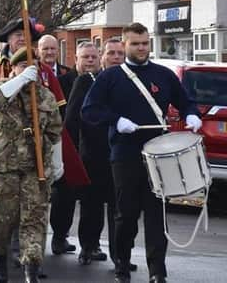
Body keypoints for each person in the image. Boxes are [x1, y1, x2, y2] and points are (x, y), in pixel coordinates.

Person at [82, 23, 201, 283]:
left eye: (145, 43)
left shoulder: (163, 74)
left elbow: (185, 100)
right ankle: (122, 264)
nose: (141, 48)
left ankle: (158, 271)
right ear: (125, 45)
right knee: (126, 214)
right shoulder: (109, 78)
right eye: (136, 43)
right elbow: (89, 110)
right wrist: (116, 120)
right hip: (125, 155)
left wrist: (192, 114)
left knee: (157, 216)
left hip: (159, 156)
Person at [0, 47, 62, 283]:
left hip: (34, 166)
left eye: (34, 67)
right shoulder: (0, 87)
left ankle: (31, 267)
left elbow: (55, 130)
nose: (31, 71)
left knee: (34, 218)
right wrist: (20, 80)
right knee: (2, 216)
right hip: (4, 164)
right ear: (14, 68)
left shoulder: (45, 96)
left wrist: (55, 161)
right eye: (23, 67)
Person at [66, 39, 132, 268]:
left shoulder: (131, 81)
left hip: (122, 154)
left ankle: (120, 255)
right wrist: (72, 153)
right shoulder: (87, 81)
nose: (115, 57)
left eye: (120, 53)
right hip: (93, 154)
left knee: (120, 209)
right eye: (111, 53)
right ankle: (88, 247)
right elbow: (72, 119)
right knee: (91, 206)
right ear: (103, 57)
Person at [51, 41, 101, 255]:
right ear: (76, 60)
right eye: (85, 57)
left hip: (94, 150)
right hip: (68, 146)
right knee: (65, 197)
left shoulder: (102, 81)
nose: (90, 60)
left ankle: (91, 244)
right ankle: (59, 237)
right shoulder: (62, 82)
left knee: (94, 200)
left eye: (93, 57)